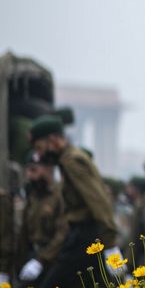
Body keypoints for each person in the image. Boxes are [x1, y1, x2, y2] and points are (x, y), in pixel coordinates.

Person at [28, 115, 125, 287]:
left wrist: (110, 244)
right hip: (82, 236)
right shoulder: (68, 160)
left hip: (85, 237)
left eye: (40, 147)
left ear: (52, 140)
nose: (40, 153)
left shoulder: (72, 161)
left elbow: (98, 200)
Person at [16, 151, 68, 285]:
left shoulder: (60, 196)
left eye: (34, 170)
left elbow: (62, 232)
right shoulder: (33, 196)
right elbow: (25, 233)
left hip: (52, 260)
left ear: (49, 169)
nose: (29, 175)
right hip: (32, 256)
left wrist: (41, 261)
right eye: (28, 170)